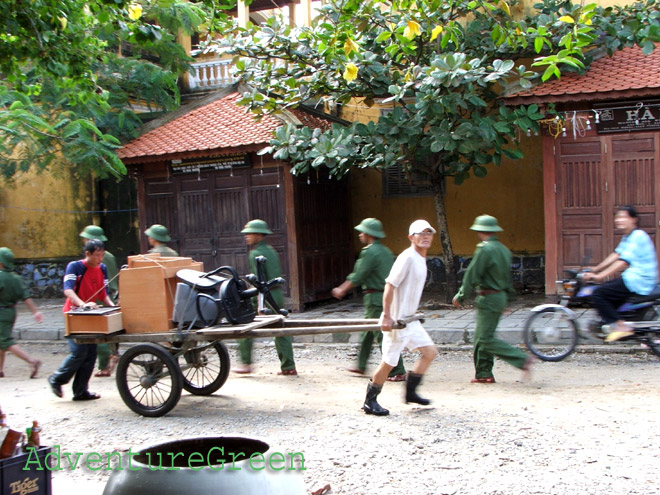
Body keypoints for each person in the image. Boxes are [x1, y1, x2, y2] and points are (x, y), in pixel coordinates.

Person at [363, 220, 439, 416]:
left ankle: (411, 392)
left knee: (430, 352)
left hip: (410, 320)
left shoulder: (421, 259)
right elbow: (390, 285)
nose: (425, 236)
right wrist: (387, 316)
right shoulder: (407, 257)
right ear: (411, 237)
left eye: (428, 233)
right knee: (389, 363)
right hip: (397, 322)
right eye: (420, 233)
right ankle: (370, 401)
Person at [452, 215, 533, 384]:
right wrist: (508, 299)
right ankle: (483, 373)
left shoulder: (485, 249)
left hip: (488, 297)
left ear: (480, 231)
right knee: (481, 336)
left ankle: (520, 359)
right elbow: (507, 278)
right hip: (499, 296)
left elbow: (472, 274)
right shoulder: (503, 249)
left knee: (484, 339)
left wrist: (461, 295)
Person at [332, 218, 407, 381]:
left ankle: (397, 369)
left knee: (383, 334)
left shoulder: (369, 252)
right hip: (387, 296)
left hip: (375, 298)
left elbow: (359, 275)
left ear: (368, 234)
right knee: (368, 331)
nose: (360, 235)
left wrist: (342, 288)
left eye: (362, 232)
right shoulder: (386, 251)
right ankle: (361, 364)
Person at [48, 240, 115, 401]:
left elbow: (103, 293)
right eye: (97, 255)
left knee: (91, 354)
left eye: (102, 255)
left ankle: (80, 391)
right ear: (88, 254)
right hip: (74, 314)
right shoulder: (75, 267)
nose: (100, 259)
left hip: (91, 314)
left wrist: (113, 306)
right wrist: (83, 304)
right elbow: (68, 290)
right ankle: (56, 379)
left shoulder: (103, 269)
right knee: (79, 352)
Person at [582, 205, 658, 342]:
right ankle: (615, 323)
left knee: (598, 293)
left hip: (639, 280)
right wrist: (595, 269)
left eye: (623, 217)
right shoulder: (628, 236)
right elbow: (616, 254)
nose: (619, 220)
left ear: (633, 219)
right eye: (618, 217)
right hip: (634, 278)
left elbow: (623, 262)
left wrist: (599, 276)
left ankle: (621, 327)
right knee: (607, 291)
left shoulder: (638, 236)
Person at [233, 219, 297, 376]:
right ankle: (288, 366)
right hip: (277, 294)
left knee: (245, 324)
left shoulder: (255, 253)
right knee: (280, 330)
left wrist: (256, 303)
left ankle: (246, 362)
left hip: (265, 295)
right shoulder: (271, 250)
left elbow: (258, 281)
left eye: (250, 233)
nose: (246, 236)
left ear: (259, 235)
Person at [79, 225, 119, 377]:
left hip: (99, 297)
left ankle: (105, 364)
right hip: (108, 294)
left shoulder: (99, 258)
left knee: (99, 333)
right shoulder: (109, 255)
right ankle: (113, 354)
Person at [0, 247, 43, 379]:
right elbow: (26, 297)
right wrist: (35, 312)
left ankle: (31, 361)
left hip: (1, 312)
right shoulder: (16, 278)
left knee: (5, 341)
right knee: (1, 340)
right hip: (11, 312)